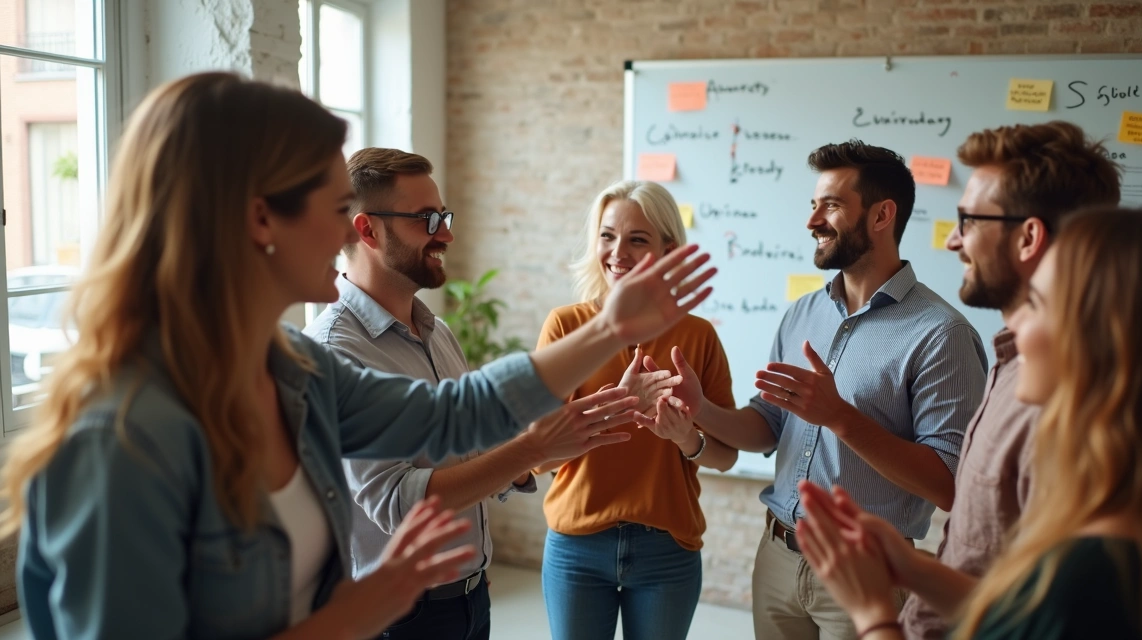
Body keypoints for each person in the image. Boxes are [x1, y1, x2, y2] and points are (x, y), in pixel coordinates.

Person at [0, 73, 716, 640]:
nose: (353, 231)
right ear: (258, 219)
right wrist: (364, 610)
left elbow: (453, 415)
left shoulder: (293, 372)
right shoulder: (123, 440)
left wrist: (610, 330)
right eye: (338, 207)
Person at [794, 207, 1142, 640]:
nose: (1014, 328)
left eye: (1036, 304)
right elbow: (1027, 616)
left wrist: (874, 614)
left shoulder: (1102, 571)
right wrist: (912, 570)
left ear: (1111, 342)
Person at [304, 148, 641, 640]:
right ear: (367, 230)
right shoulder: (334, 352)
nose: (446, 232)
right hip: (394, 620)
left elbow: (471, 454)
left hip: (469, 599)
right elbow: (400, 502)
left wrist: (570, 431)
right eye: (427, 219)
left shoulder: (436, 332)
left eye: (444, 216)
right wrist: (534, 446)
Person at [658, 140, 988, 640]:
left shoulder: (941, 333)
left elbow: (948, 484)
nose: (813, 220)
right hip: (776, 559)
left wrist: (840, 417)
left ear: (882, 216)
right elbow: (767, 427)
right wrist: (702, 408)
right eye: (813, 205)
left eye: (831, 205)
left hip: (868, 573)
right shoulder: (803, 313)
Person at [899, 121, 1122, 639]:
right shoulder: (1010, 358)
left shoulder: (1069, 403)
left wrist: (871, 613)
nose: (953, 240)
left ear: (1028, 237)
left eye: (969, 221)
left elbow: (1047, 615)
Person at [535, 180, 738, 640]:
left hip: (666, 550)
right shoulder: (565, 326)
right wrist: (619, 408)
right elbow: (538, 457)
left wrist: (687, 438)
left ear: (668, 248)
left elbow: (726, 456)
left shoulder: (698, 336)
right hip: (576, 547)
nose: (617, 252)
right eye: (607, 236)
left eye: (637, 239)